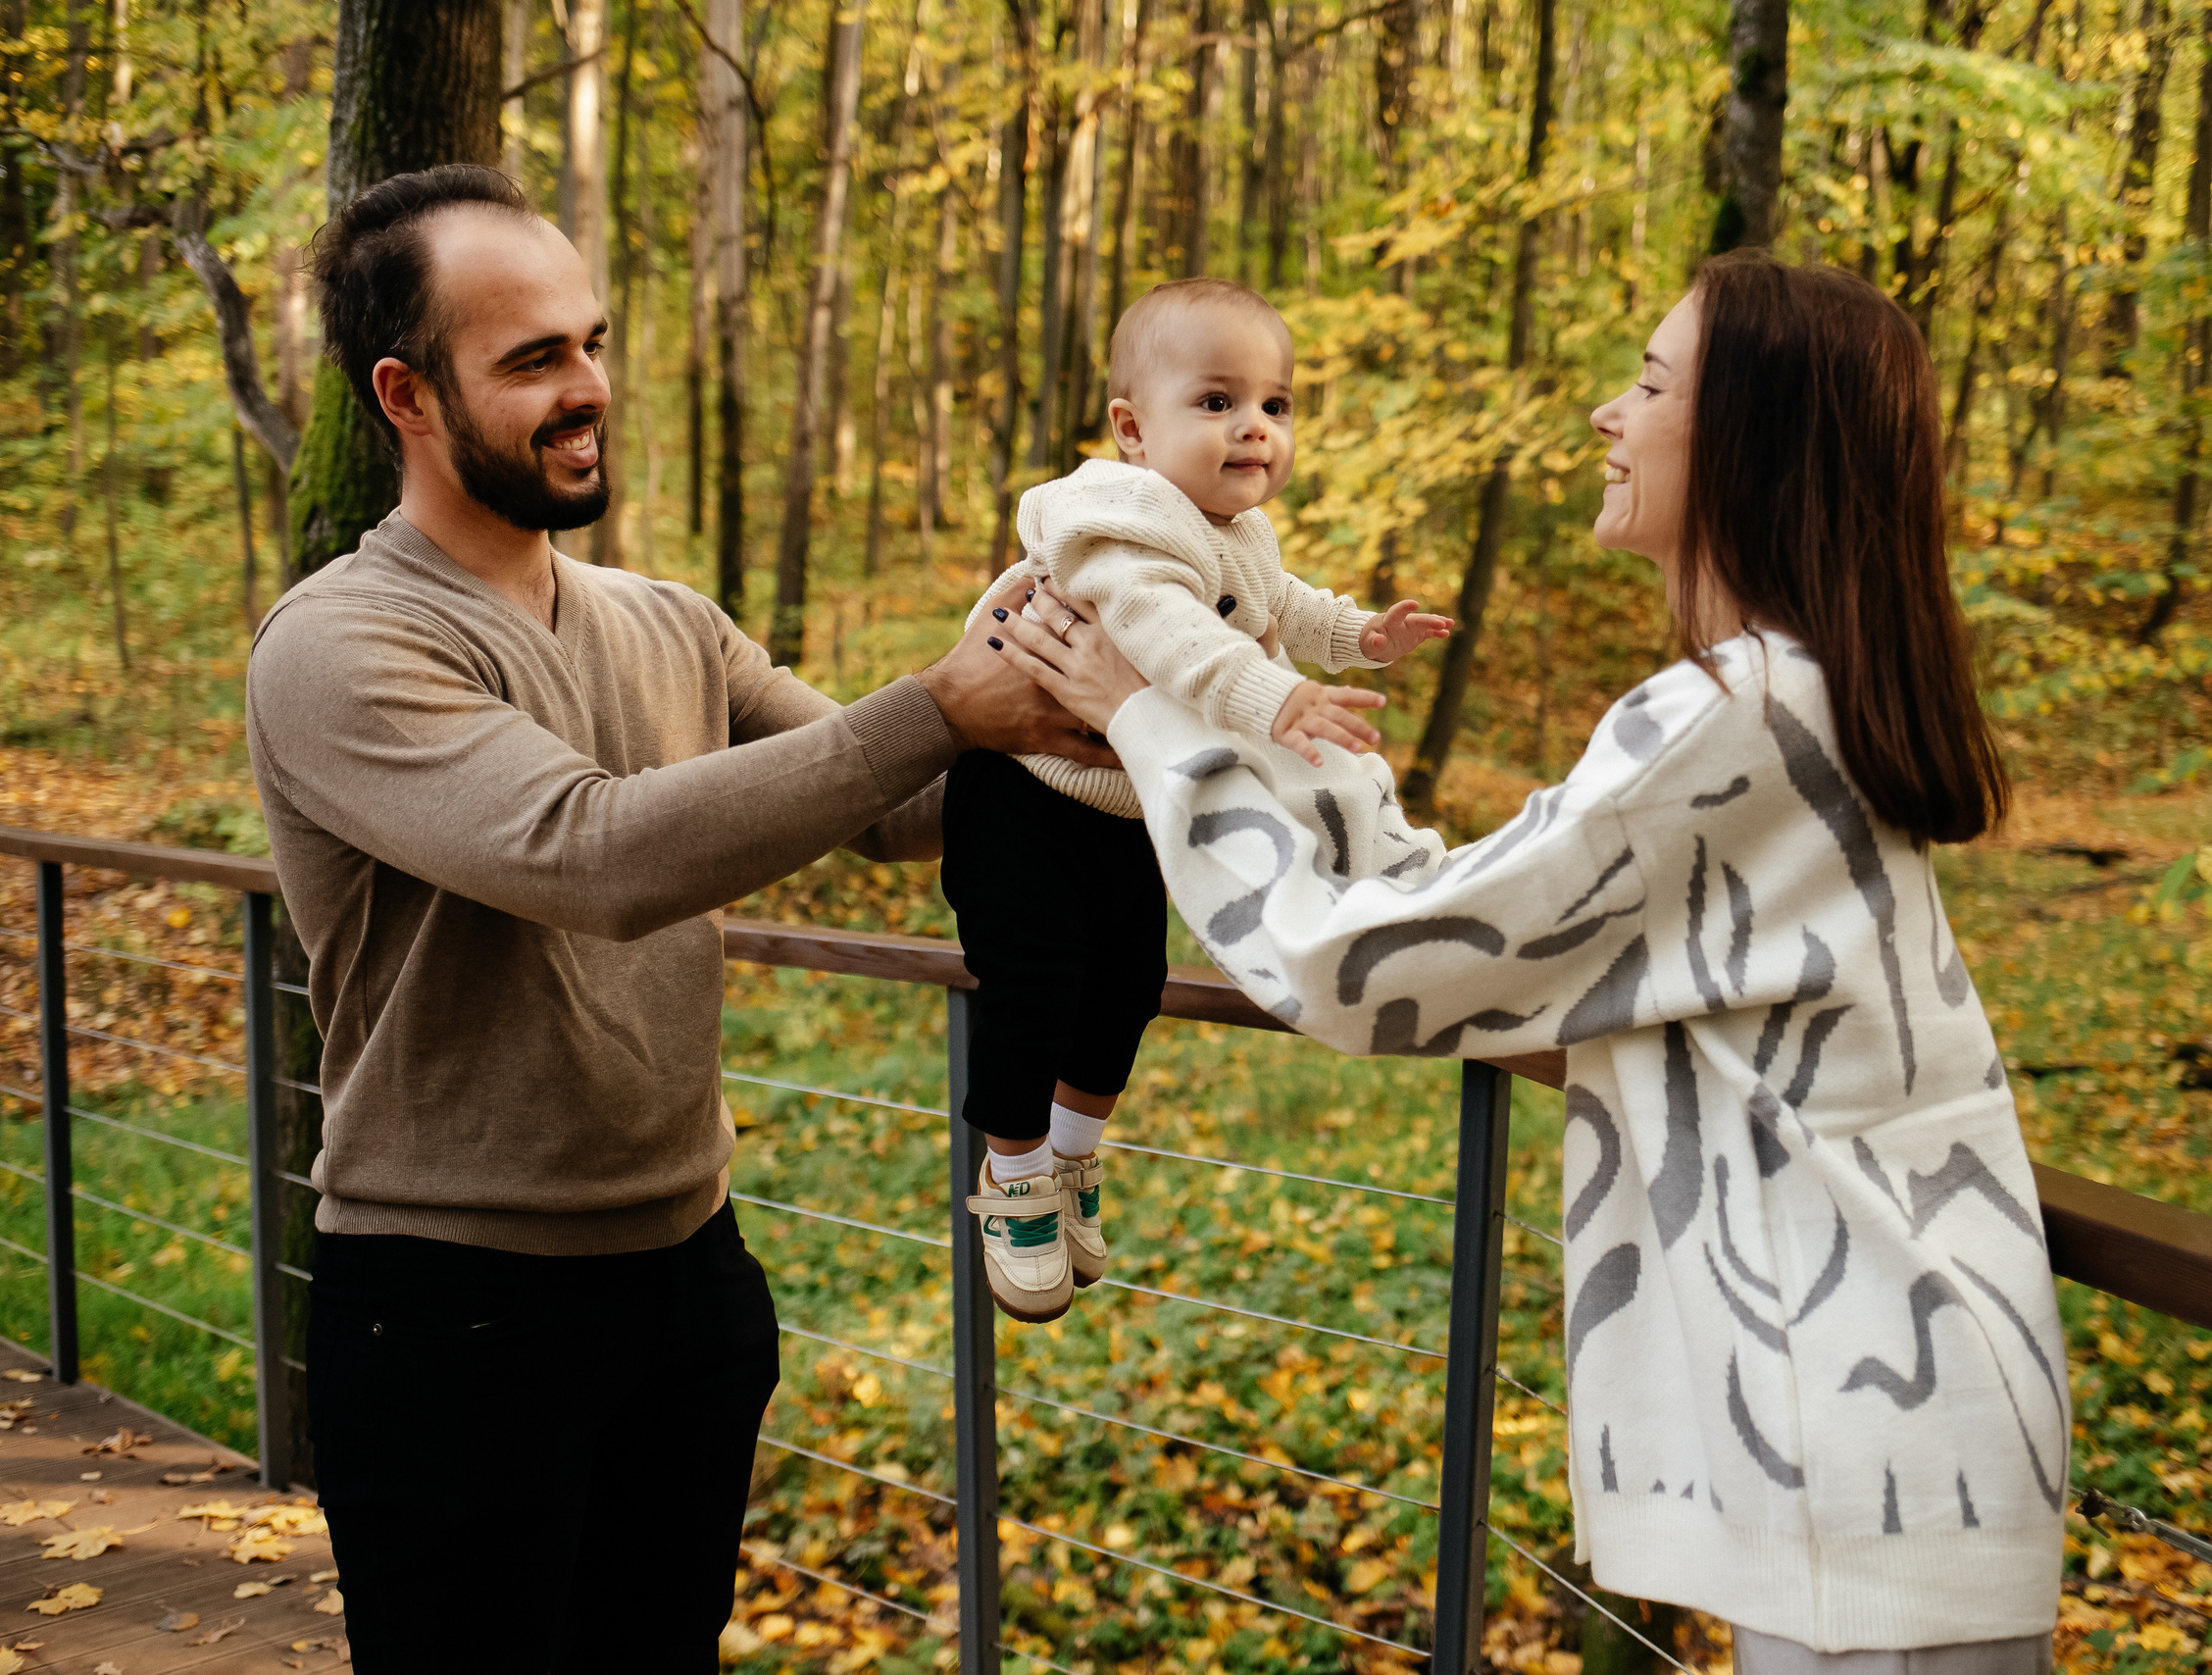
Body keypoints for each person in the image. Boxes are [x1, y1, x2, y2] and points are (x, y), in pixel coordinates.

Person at [991, 253, 2069, 1670]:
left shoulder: (1738, 723)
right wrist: (1266, 729)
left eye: (1649, 382)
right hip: (1873, 1432)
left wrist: (1149, 718)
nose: (1608, 419)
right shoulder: (1787, 700)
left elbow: (1346, 968)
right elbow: (1470, 913)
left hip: (1870, 1443)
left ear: (1744, 437)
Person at [243, 165, 1109, 1673]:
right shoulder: (339, 646)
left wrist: (1072, 688)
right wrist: (939, 707)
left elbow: (898, 808)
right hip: (453, 1311)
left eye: (588, 342)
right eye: (531, 362)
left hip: (690, 1275)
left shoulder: (668, 621)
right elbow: (597, 856)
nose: (587, 390)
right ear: (406, 395)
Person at [945, 278, 1451, 1322]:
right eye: (1216, 402)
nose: (1254, 428)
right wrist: (1281, 700)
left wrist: (1359, 636)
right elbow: (1177, 637)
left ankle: (1074, 1159)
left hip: (1129, 804)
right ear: (1133, 428)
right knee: (1032, 983)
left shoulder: (1237, 530)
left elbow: (1278, 605)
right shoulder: (1118, 525)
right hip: (1026, 799)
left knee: (1128, 983)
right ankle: (1013, 1176)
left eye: (1276, 404)